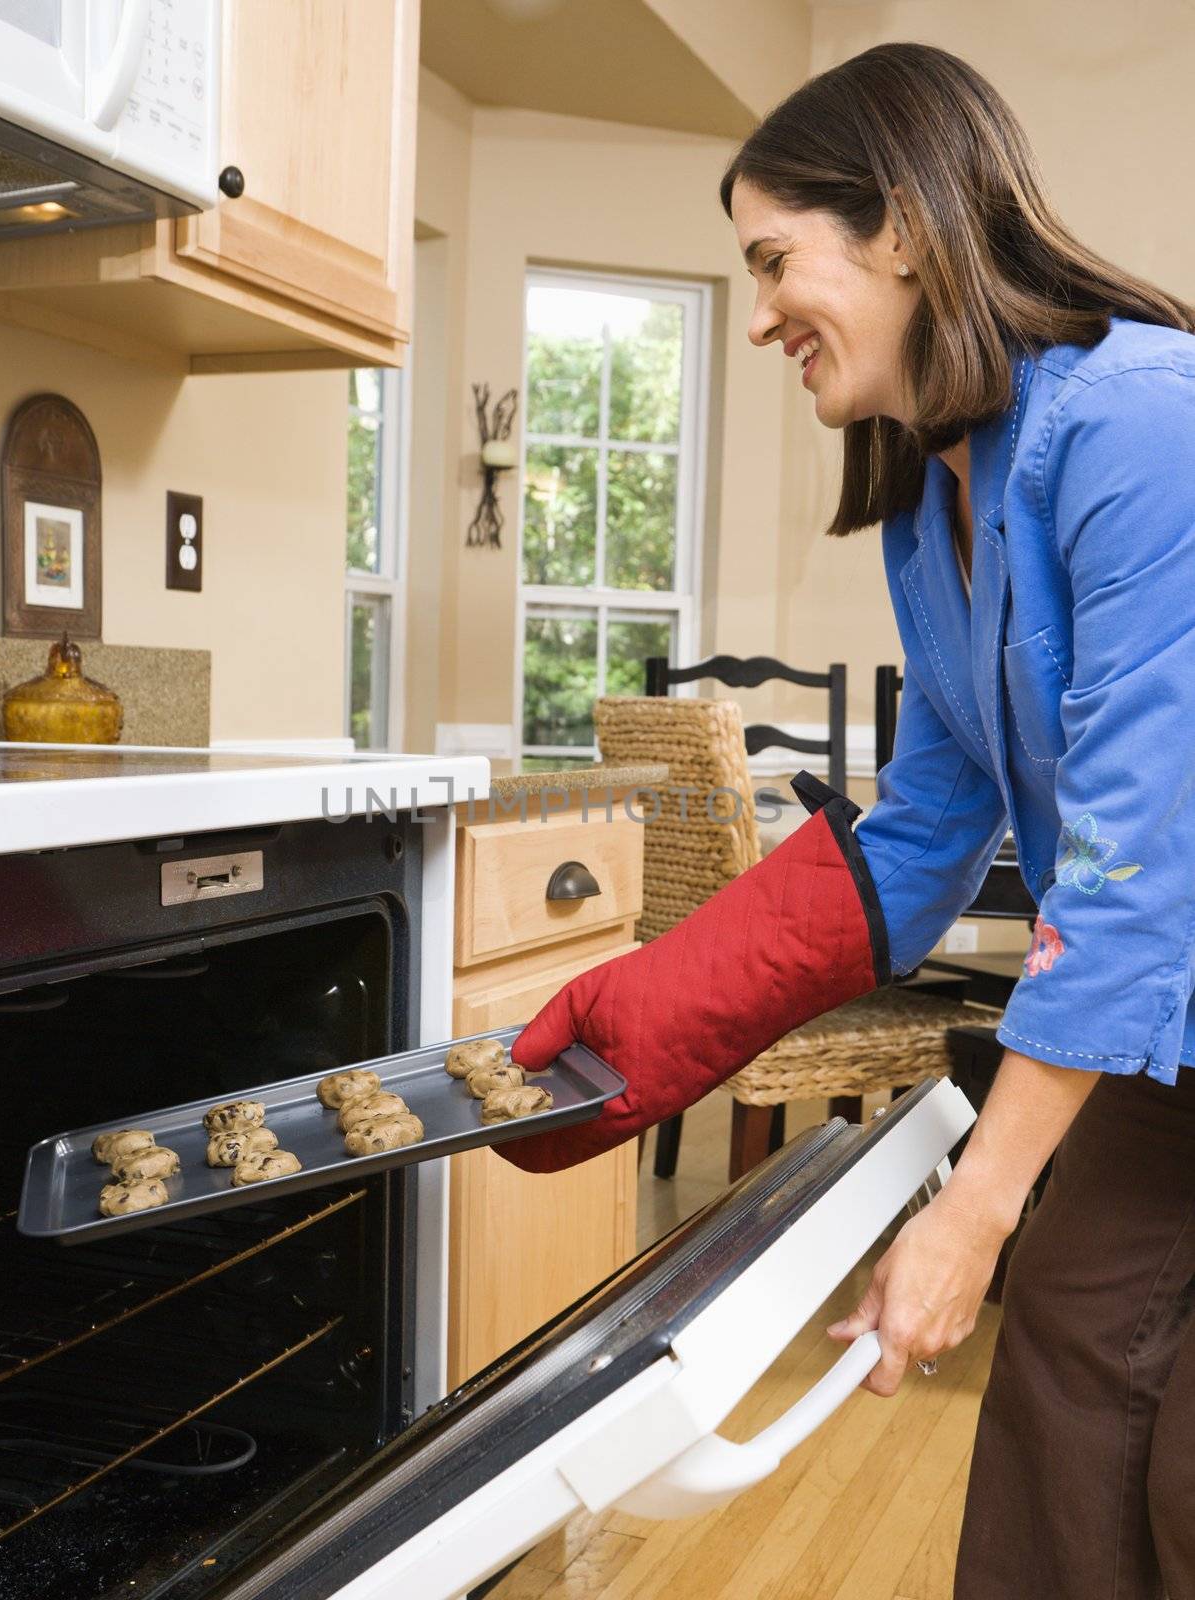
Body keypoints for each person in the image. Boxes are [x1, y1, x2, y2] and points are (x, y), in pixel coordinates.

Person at [507, 42, 1195, 1600]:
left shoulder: (1144, 427)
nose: (757, 317)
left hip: (1164, 971)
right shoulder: (928, 500)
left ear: (898, 226)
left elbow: (1140, 871)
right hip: (1169, 1038)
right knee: (1067, 1406)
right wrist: (650, 1018)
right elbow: (926, 830)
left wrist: (977, 1209)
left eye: (771, 261)